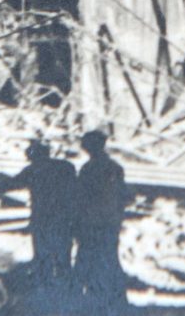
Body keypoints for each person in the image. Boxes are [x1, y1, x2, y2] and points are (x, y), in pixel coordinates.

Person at [0, 139, 76, 284]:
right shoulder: (66, 167)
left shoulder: (34, 169)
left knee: (43, 254)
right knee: (63, 254)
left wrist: (0, 186)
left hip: (42, 218)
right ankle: (65, 286)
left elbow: (14, 182)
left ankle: (45, 284)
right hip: (64, 219)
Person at [74, 129, 128, 314]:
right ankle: (116, 299)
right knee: (109, 258)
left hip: (91, 223)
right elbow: (124, 196)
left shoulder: (88, 169)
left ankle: (87, 300)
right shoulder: (115, 167)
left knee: (87, 259)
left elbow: (80, 197)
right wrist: (117, 217)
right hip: (110, 222)